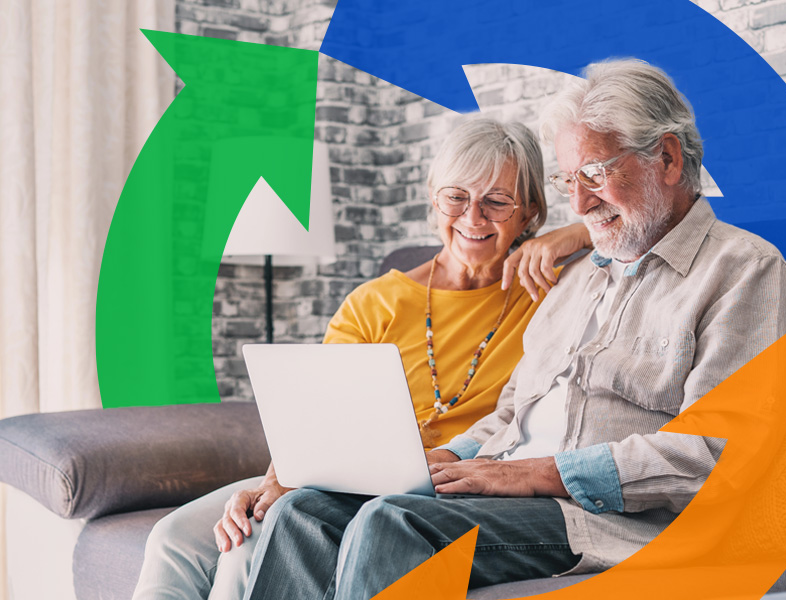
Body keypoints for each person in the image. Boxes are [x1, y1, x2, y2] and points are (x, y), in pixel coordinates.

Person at [241, 58, 786, 600]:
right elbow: (512, 416)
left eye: (594, 174)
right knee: (305, 511)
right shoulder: (575, 281)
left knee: (397, 521)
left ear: (666, 158)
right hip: (515, 488)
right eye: (569, 180)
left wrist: (536, 474)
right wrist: (452, 458)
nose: (581, 203)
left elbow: (719, 453)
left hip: (611, 521)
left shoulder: (745, 271)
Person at [131, 118, 590, 600]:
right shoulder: (377, 301)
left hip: (450, 481)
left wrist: (575, 234)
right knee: (174, 538)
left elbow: (641, 227)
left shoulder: (554, 291)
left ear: (531, 212)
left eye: (496, 202)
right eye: (456, 197)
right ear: (435, 198)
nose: (473, 218)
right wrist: (274, 484)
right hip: (348, 474)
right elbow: (313, 419)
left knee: (247, 546)